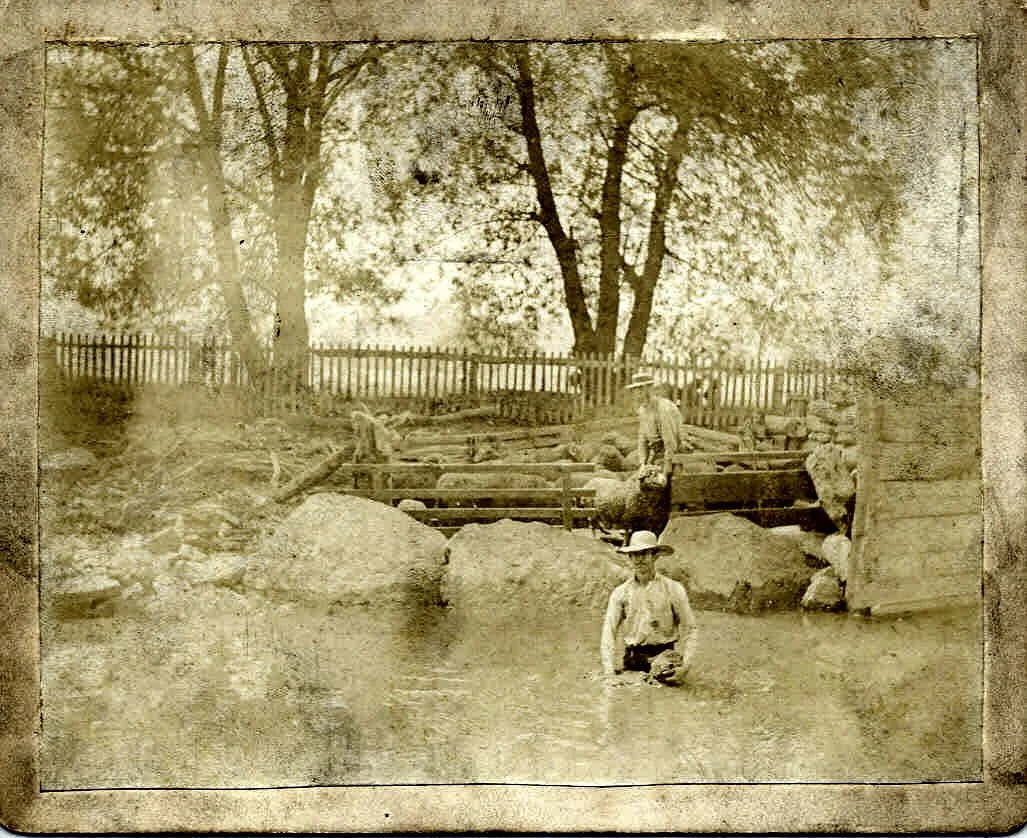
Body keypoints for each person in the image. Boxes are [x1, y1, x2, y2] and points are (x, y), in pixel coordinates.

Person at [600, 530, 698, 684]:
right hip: (633, 660)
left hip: (665, 659)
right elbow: (609, 631)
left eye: (644, 553)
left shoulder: (673, 589)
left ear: (655, 555)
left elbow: (691, 629)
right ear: (630, 558)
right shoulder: (620, 593)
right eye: (634, 555)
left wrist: (685, 666)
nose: (639, 559)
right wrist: (609, 671)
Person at [625, 371, 690, 478]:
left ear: (649, 389)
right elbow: (642, 439)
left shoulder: (663, 409)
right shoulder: (642, 410)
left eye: (641, 389)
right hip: (657, 454)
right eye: (635, 390)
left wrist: (665, 472)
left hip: (675, 455)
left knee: (668, 485)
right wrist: (642, 464)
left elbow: (670, 442)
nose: (637, 393)